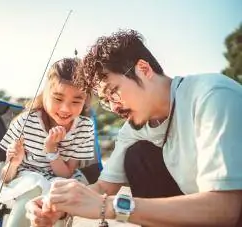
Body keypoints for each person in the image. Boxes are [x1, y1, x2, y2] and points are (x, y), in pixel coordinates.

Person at [25, 29, 242, 227]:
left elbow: (226, 210)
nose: (113, 107)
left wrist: (109, 207)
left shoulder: (210, 96)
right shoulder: (135, 127)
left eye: (114, 92)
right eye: (106, 101)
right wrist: (56, 206)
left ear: (143, 69)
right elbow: (102, 189)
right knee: (139, 155)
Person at [0, 57, 95, 227]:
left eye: (76, 101)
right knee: (32, 193)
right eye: (57, 98)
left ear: (85, 101)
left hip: (62, 181)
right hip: (27, 180)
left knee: (56, 200)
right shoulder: (25, 122)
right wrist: (14, 163)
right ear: (45, 93)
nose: (65, 109)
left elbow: (65, 175)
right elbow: (6, 177)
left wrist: (51, 150)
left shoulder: (84, 127)